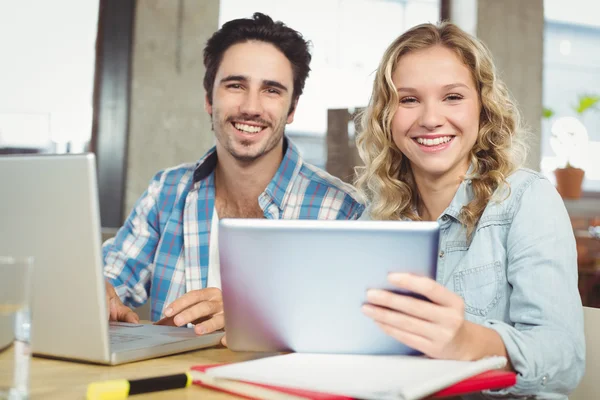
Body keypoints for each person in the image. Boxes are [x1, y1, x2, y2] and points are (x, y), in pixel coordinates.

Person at [355, 22, 584, 398]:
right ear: (386, 115)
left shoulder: (527, 200)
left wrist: (468, 342)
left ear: (483, 107)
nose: (430, 118)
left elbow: (564, 359)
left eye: (453, 97)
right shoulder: (376, 214)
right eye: (409, 99)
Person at [102, 13, 364, 338]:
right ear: (209, 99)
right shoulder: (166, 192)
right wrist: (97, 292)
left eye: (271, 90)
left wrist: (251, 317)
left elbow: (347, 330)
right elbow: (109, 277)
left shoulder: (341, 211)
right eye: (236, 85)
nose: (251, 107)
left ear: (292, 108)